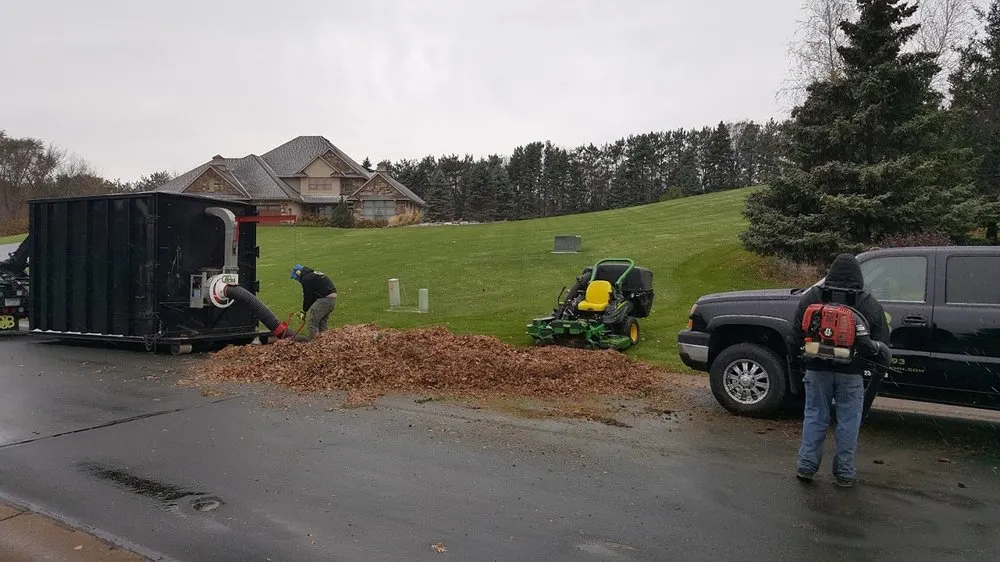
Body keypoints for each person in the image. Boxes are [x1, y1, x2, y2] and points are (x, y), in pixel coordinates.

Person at [791, 253, 891, 488]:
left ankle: (806, 467)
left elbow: (795, 334)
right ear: (858, 276)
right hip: (851, 373)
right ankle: (844, 473)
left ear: (830, 273)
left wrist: (797, 363)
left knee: (815, 416)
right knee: (848, 422)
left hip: (816, 369)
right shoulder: (868, 303)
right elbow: (882, 342)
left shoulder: (812, 297)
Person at [290, 264, 337, 342]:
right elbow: (313, 295)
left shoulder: (306, 279)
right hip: (331, 299)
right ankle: (326, 342)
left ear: (298, 273)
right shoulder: (312, 274)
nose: (297, 280)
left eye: (296, 277)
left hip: (324, 299)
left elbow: (308, 296)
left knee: (311, 322)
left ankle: (314, 345)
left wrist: (304, 311)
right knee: (322, 323)